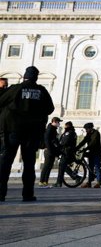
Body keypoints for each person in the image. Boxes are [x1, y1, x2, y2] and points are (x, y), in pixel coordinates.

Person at [0, 66, 55, 202]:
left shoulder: (15, 89)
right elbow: (50, 108)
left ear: (24, 76)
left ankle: (1, 193)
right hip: (32, 132)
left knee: (6, 162)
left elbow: (1, 101)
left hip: (13, 130)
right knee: (29, 164)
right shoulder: (41, 90)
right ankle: (28, 194)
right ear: (36, 77)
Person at [76, 123, 101, 188]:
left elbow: (93, 143)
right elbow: (84, 141)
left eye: (87, 129)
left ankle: (99, 182)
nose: (86, 130)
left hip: (97, 153)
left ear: (91, 128)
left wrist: (85, 149)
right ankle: (89, 182)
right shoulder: (88, 134)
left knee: (97, 167)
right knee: (90, 168)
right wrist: (76, 148)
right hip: (91, 153)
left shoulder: (96, 133)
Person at [53, 121, 79, 187]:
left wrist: (58, 145)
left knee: (61, 166)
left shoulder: (69, 133)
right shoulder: (71, 132)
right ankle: (76, 177)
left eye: (65, 126)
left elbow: (64, 142)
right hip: (67, 151)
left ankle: (59, 183)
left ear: (68, 126)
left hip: (67, 152)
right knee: (63, 166)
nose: (65, 127)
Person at [39, 117, 62, 186]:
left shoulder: (54, 129)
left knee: (50, 166)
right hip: (48, 150)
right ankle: (41, 180)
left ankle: (45, 181)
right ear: (54, 122)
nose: (59, 124)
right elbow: (47, 140)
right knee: (46, 166)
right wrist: (49, 149)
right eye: (58, 122)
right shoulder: (50, 129)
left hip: (52, 150)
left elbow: (55, 140)